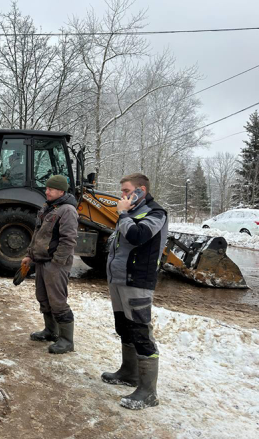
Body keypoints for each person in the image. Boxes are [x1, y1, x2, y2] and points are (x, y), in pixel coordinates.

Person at [102, 173, 168, 410]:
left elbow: (138, 236)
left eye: (125, 190)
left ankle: (149, 392)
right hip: (119, 280)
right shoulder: (132, 213)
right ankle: (129, 372)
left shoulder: (156, 213)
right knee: (124, 328)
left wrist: (122, 213)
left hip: (137, 281)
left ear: (140, 190)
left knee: (141, 332)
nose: (122, 195)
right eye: (121, 191)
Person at [22, 174, 78, 354]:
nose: (46, 191)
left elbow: (69, 240)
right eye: (46, 188)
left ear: (61, 191)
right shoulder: (48, 207)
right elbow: (38, 234)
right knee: (43, 298)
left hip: (56, 263)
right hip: (41, 260)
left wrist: (57, 262)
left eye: (50, 189)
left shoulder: (67, 210)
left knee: (58, 301)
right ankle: (50, 331)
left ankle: (67, 340)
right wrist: (29, 255)